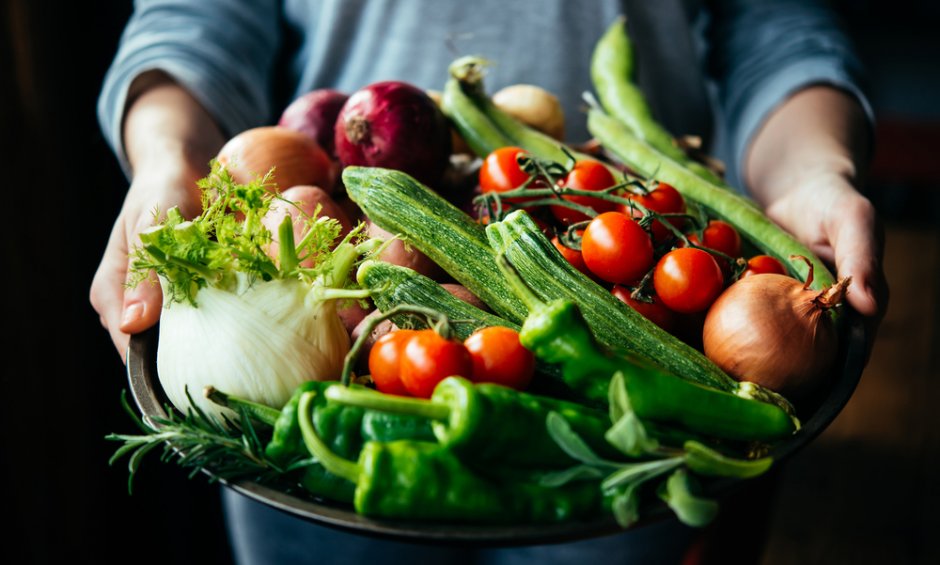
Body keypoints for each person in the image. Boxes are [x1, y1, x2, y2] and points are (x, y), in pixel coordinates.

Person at [91, 1, 888, 563]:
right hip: (320, 350)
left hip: (628, 387)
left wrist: (815, 169)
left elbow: (774, 25)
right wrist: (168, 162)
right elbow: (194, 18)